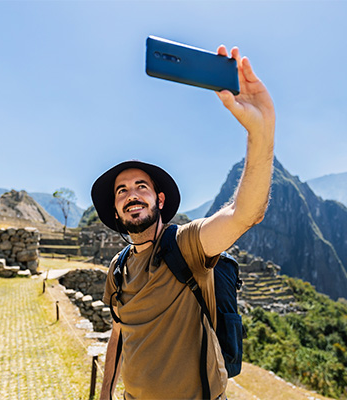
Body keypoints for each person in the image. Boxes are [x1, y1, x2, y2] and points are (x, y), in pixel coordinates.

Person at [92, 45, 275, 400]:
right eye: (122, 191)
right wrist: (105, 395)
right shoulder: (117, 270)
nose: (132, 195)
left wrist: (261, 131)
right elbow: (118, 333)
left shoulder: (186, 246)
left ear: (159, 200)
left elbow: (243, 214)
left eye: (142, 187)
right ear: (116, 211)